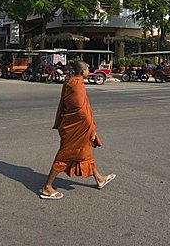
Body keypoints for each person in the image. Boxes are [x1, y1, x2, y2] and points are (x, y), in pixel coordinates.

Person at [40, 60, 116, 200]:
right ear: (83, 71)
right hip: (76, 127)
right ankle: (47, 187)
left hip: (74, 125)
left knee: (84, 152)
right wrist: (91, 127)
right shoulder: (77, 84)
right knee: (65, 155)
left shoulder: (70, 82)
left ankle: (99, 178)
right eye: (87, 69)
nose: (89, 71)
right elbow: (80, 111)